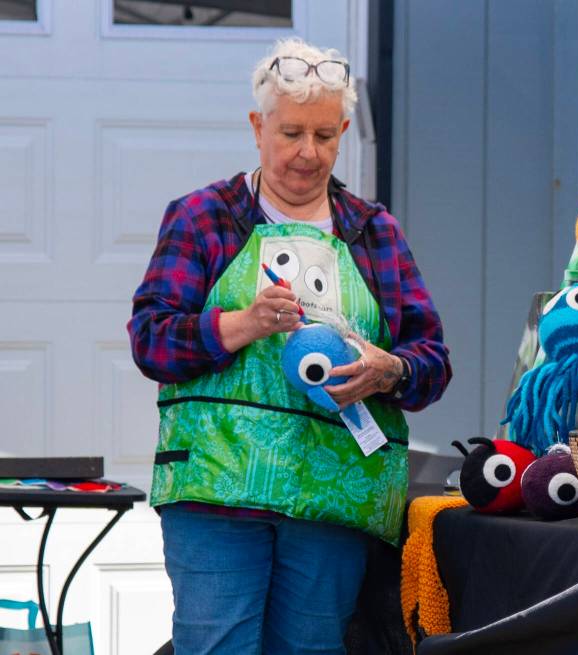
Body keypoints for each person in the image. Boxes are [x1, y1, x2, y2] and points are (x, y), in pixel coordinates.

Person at [128, 38, 451, 654]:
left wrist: (390, 370)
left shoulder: (374, 231)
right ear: (258, 127)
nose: (308, 152)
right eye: (292, 133)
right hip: (217, 489)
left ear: (344, 133)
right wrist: (240, 325)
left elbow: (432, 361)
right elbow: (150, 341)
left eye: (325, 136)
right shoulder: (204, 218)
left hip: (335, 498)